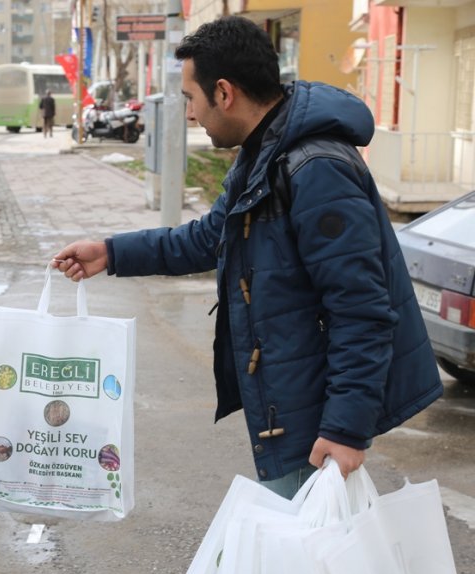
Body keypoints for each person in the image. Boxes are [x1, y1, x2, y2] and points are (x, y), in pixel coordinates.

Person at [51, 16, 442, 499]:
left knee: (307, 561)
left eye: (191, 99)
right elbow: (208, 237)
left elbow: (361, 311)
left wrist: (345, 429)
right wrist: (110, 253)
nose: (190, 115)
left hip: (315, 416)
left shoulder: (315, 170)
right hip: (290, 400)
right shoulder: (264, 154)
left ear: (224, 92)